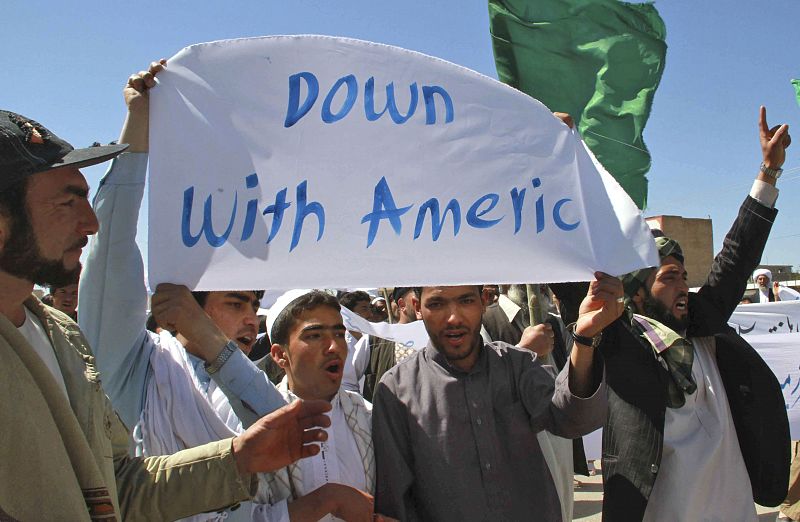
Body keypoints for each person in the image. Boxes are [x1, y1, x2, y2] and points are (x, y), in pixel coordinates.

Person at [0, 103, 331, 520]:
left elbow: (115, 488)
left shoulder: (60, 338)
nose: (90, 223)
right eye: (68, 203)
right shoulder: (139, 362)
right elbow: (113, 244)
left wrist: (235, 459)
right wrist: (138, 127)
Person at [558, 106, 791, 520]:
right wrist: (556, 165)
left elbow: (736, 257)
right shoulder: (623, 344)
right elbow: (570, 277)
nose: (683, 285)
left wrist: (768, 173)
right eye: (669, 277)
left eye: (684, 276)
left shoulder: (704, 329)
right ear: (638, 294)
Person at [372, 282, 613, 521]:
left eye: (466, 301)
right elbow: (394, 498)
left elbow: (570, 418)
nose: (453, 318)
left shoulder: (516, 365)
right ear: (417, 307)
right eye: (436, 304)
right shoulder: (396, 390)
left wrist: (584, 339)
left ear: (484, 301)